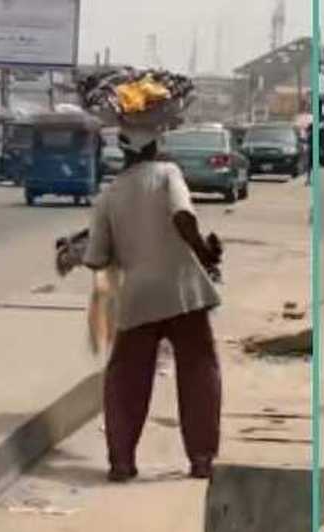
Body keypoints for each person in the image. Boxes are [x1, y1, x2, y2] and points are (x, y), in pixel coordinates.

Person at [83, 127, 223, 481]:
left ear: (123, 152)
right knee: (199, 368)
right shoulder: (168, 174)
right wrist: (205, 253)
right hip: (183, 291)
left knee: (125, 379)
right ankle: (202, 459)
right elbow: (183, 216)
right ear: (156, 146)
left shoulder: (109, 195)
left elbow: (96, 258)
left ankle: (122, 462)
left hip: (139, 297)